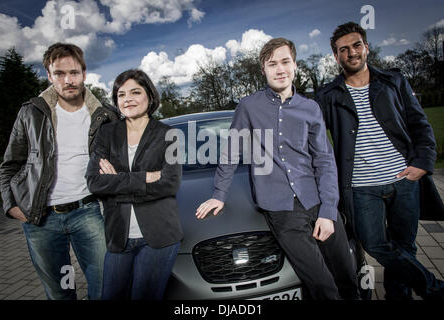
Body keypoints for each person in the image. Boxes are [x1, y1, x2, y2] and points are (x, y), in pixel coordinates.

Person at [196, 38, 360, 300]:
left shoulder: (310, 108)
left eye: (285, 62)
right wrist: (219, 193)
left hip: (318, 201)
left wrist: (328, 211)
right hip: (282, 211)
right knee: (322, 285)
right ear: (263, 69)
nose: (280, 69)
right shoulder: (248, 107)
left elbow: (324, 160)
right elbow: (231, 152)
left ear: (295, 65)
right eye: (272, 64)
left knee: (347, 278)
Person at [315, 21, 444, 300]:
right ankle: (433, 288)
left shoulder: (394, 81)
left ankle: (399, 296)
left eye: (356, 45)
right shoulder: (327, 96)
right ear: (336, 57)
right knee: (375, 244)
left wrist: (423, 162)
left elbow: (420, 125)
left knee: (404, 246)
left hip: (404, 180)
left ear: (366, 47)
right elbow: (307, 133)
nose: (352, 53)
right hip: (361, 188)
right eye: (343, 49)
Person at [0, 43, 118, 299]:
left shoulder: (105, 115)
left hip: (88, 212)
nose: (68, 80)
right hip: (41, 218)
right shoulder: (31, 112)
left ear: (84, 74)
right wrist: (10, 205)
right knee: (60, 292)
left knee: (105, 284)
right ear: (49, 76)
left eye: (74, 73)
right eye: (60, 74)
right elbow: (10, 164)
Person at [85, 69, 183, 300]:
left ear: (149, 95)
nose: (127, 99)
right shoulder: (106, 134)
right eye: (121, 95)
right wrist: (143, 178)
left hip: (159, 238)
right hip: (119, 236)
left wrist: (116, 182)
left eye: (135, 92)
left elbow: (170, 183)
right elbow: (94, 182)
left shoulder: (169, 135)